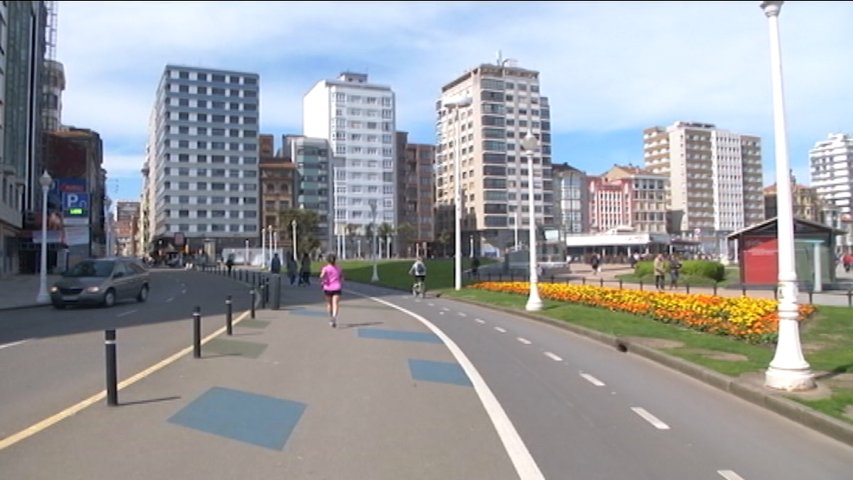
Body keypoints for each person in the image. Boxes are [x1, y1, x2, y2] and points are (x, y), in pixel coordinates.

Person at [319, 253, 343, 328]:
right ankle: (334, 317)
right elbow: (341, 277)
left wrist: (323, 281)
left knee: (329, 304)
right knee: (335, 303)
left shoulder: (325, 268)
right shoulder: (339, 268)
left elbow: (321, 276)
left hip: (328, 287)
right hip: (337, 287)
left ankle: (330, 317)